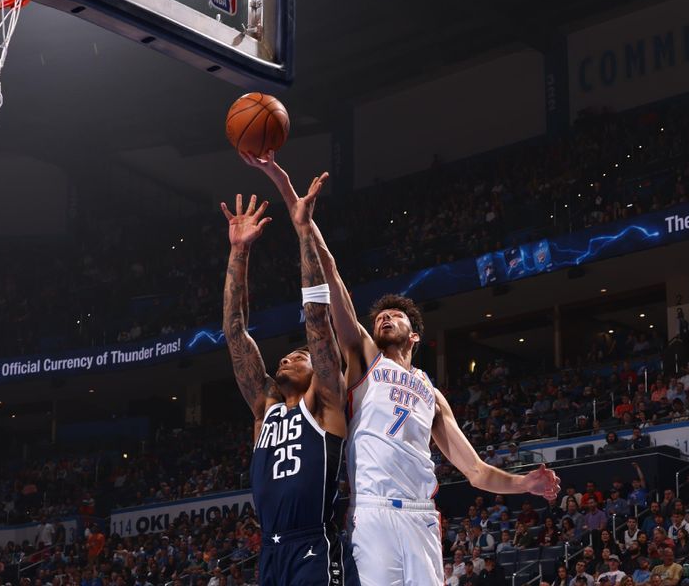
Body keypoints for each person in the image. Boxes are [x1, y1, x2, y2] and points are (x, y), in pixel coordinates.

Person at [242, 150, 560, 586]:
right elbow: (331, 277)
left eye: (395, 316)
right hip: (372, 513)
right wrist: (298, 212)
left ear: (415, 336)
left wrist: (524, 484)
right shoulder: (365, 358)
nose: (385, 319)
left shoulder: (431, 394)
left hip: (421, 517)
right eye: (379, 318)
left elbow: (477, 472)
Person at [220, 188, 357, 586]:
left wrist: (303, 231)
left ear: (320, 367)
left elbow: (316, 317)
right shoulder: (266, 409)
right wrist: (239, 252)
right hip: (271, 550)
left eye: (299, 357)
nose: (286, 358)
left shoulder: (325, 401)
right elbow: (234, 331)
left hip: (313, 543)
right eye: (285, 357)